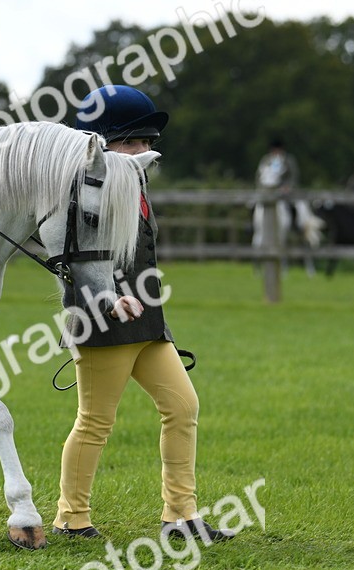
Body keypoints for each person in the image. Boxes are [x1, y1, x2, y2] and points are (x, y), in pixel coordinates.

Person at [53, 85, 235, 543]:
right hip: (101, 319)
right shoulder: (82, 191)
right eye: (132, 142)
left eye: (148, 142)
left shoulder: (136, 181)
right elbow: (76, 262)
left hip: (149, 321)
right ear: (99, 144)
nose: (144, 151)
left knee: (183, 406)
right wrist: (110, 296)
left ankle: (180, 515)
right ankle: (70, 518)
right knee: (96, 421)